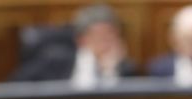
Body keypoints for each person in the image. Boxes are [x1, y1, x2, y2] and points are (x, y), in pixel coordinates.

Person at [8, 3, 136, 87]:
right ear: (81, 40)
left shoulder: (126, 69)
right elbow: (13, 88)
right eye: (100, 36)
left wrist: (110, 71)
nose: (107, 41)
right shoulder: (54, 60)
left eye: (111, 35)